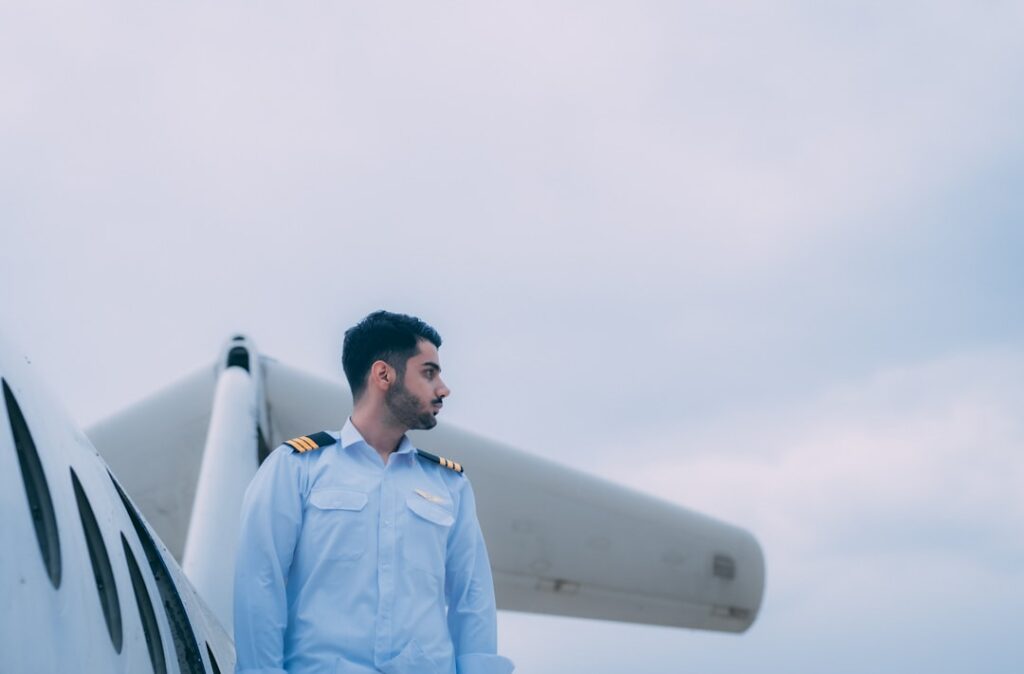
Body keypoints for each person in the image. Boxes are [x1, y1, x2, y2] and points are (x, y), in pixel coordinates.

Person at [233, 311, 514, 674]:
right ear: (384, 374)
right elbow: (259, 581)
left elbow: (472, 599)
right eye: (429, 373)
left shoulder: (450, 485)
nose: (443, 389)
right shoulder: (296, 468)